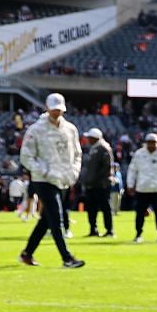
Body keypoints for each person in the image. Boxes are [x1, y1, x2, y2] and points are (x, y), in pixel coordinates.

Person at [18, 94, 83, 269]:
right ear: (47, 108)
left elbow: (77, 154)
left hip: (63, 179)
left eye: (59, 109)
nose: (57, 112)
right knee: (56, 217)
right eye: (54, 108)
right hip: (44, 180)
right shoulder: (35, 130)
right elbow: (26, 156)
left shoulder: (70, 129)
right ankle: (67, 257)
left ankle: (27, 253)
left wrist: (74, 172)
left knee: (46, 220)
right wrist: (42, 170)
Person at [126, 131, 157, 242]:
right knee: (139, 214)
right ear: (146, 142)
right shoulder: (139, 154)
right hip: (142, 188)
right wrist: (130, 184)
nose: (151, 145)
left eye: (153, 142)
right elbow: (132, 170)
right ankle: (138, 234)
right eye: (149, 142)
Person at [79, 128, 115, 238]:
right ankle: (93, 229)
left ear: (95, 138)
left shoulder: (103, 148)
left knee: (105, 207)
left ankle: (109, 230)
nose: (88, 139)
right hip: (92, 184)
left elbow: (106, 167)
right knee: (91, 208)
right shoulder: (93, 148)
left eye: (90, 138)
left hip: (102, 184)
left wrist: (94, 179)